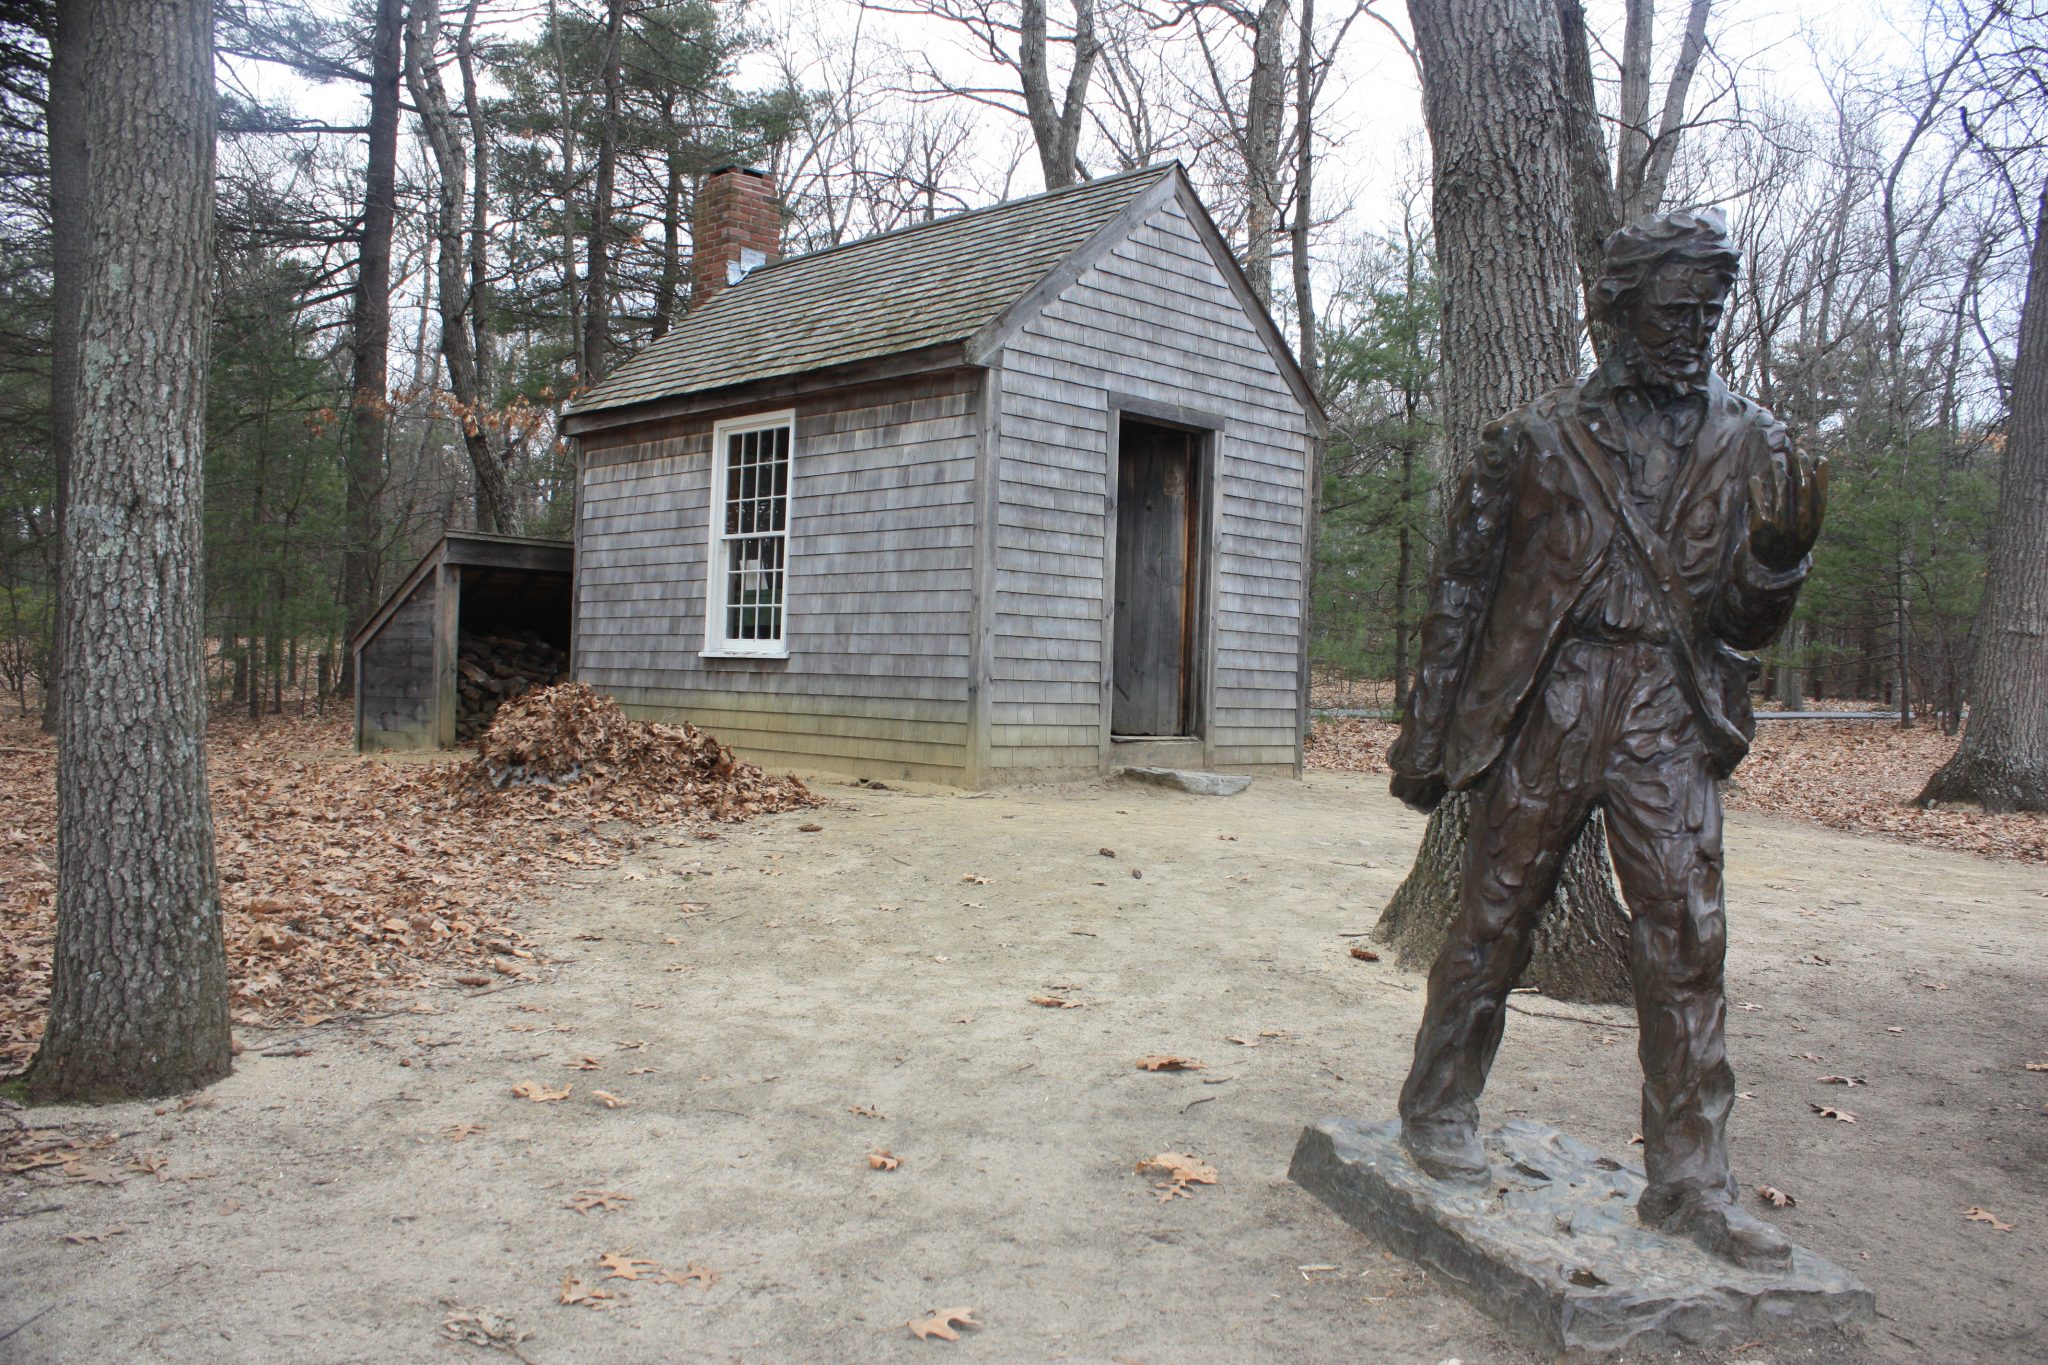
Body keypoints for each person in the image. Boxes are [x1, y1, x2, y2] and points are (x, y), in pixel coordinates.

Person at [1386, 207, 1826, 1272]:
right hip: (1554, 693)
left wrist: (1774, 558)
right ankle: (1437, 1105)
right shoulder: (1529, 441)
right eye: (1674, 310)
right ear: (1616, 311)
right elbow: (1459, 595)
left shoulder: (1753, 443)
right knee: (1495, 908)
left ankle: (1690, 1182)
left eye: (1709, 312)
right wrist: (1427, 733)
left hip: (1665, 707)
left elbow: (1736, 627)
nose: (1695, 331)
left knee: (1686, 933)